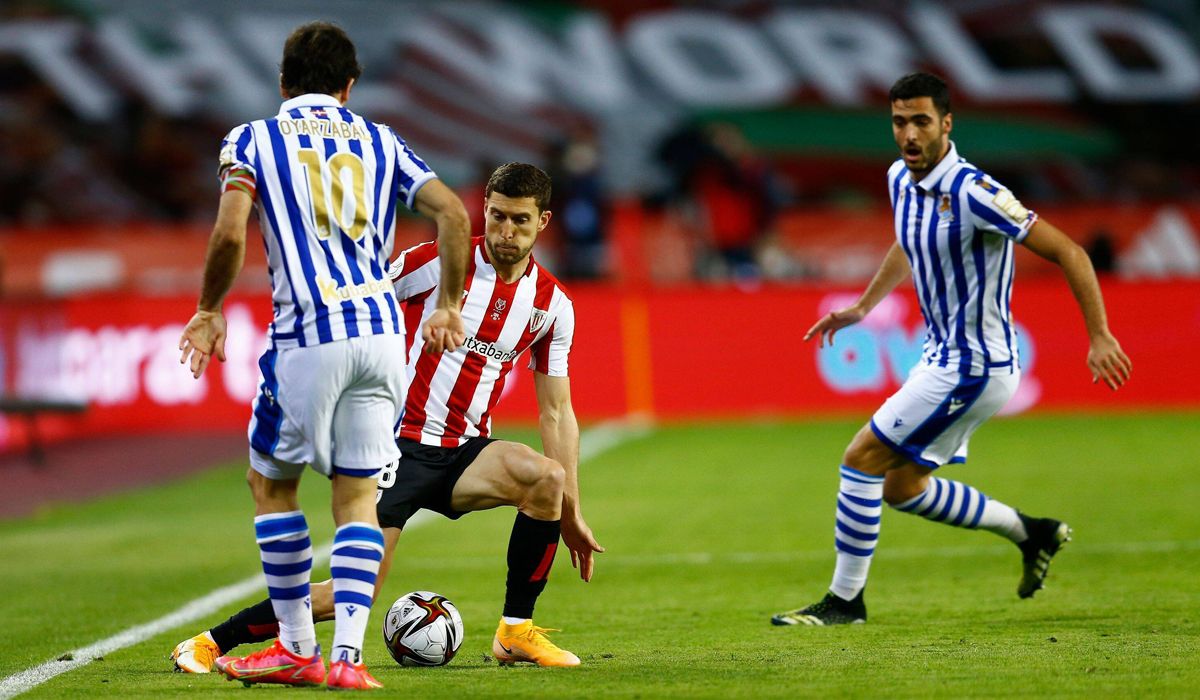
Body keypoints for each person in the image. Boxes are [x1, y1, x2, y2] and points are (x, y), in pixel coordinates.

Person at [171, 162, 603, 673]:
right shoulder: (434, 263)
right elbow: (358, 304)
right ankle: (211, 641)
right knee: (355, 591)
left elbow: (556, 410)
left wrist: (570, 509)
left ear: (544, 222)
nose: (506, 232)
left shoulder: (552, 305)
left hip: (466, 452)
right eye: (496, 217)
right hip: (394, 448)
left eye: (520, 222)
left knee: (546, 480)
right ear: (483, 210)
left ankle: (515, 633)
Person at [771, 73, 1132, 626]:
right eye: (899, 122)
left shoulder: (975, 192)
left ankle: (846, 602)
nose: (909, 135)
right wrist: (863, 308)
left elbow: (1070, 251)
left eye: (920, 121)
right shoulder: (900, 178)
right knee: (902, 486)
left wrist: (1100, 334)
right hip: (942, 357)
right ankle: (1030, 532)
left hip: (976, 365)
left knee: (860, 459)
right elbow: (906, 241)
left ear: (946, 123)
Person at [176, 21, 469, 689]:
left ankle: (298, 647)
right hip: (381, 336)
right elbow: (452, 213)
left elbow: (229, 230)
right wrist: (447, 305)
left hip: (309, 334)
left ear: (283, 83)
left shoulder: (252, 139)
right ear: (349, 86)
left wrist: (210, 308)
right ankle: (349, 660)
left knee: (272, 486)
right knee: (358, 500)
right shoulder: (381, 140)